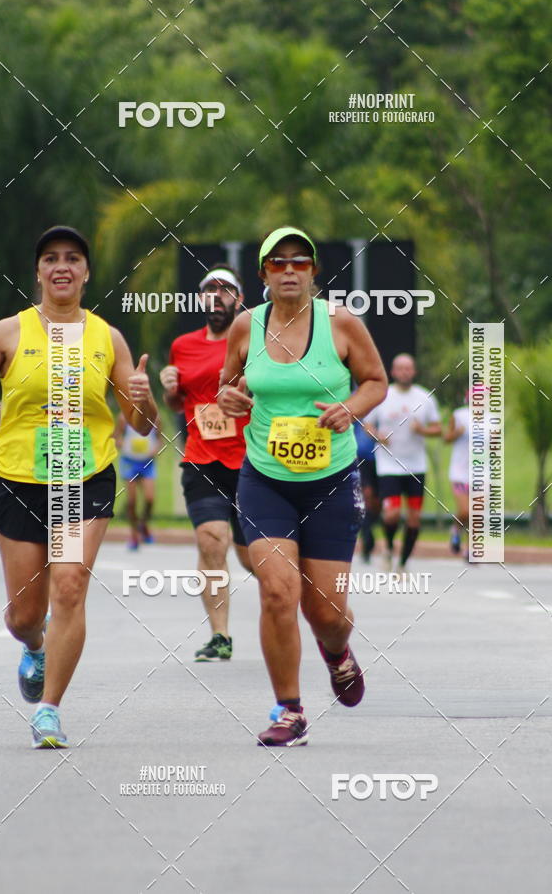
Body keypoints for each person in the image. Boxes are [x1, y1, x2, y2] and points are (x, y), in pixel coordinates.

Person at [0, 225, 158, 748]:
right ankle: (33, 644)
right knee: (23, 614)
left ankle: (50, 712)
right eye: (51, 258)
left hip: (83, 477)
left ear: (86, 273)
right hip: (17, 479)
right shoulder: (7, 333)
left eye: (73, 258)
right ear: (38, 272)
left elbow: (143, 426)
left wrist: (144, 398)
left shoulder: (107, 337)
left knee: (70, 587)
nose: (62, 266)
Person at [217, 226, 387, 746]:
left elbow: (375, 381)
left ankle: (337, 652)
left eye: (300, 262)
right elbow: (228, 385)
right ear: (263, 273)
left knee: (327, 614)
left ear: (313, 271)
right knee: (277, 592)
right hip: (265, 478)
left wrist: (349, 409)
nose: (289, 271)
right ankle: (289, 709)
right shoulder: (246, 326)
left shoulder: (342, 325)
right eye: (278, 263)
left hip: (331, 481)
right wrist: (229, 399)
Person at [160, 264, 253, 662]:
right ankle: (221, 635)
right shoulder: (183, 345)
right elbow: (177, 403)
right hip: (202, 458)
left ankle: (285, 612)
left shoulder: (254, 340)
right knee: (211, 540)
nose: (217, 299)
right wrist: (167, 389)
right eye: (209, 292)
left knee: (256, 557)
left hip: (251, 460)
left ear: (239, 298)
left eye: (225, 291)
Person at [365, 353, 441, 572]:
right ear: (393, 371)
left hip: (416, 466)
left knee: (415, 519)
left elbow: (438, 428)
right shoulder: (383, 396)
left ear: (414, 371)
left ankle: (403, 562)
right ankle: (388, 547)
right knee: (392, 514)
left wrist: (423, 430)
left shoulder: (425, 398)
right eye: (400, 368)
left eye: (408, 368)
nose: (405, 372)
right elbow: (367, 424)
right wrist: (378, 435)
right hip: (388, 465)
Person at [115, 413, 162, 549]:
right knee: (132, 501)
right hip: (130, 462)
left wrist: (155, 450)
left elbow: (160, 440)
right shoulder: (124, 418)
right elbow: (116, 437)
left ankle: (143, 524)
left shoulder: (155, 418)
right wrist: (122, 444)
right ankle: (134, 535)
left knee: (150, 498)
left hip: (147, 463)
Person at [443, 394, 470, 558]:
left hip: (482, 473)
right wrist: (457, 433)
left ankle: (470, 549)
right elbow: (446, 438)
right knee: (465, 511)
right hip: (460, 472)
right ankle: (456, 528)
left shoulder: (493, 419)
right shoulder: (459, 415)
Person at [354, 419, 380, 562]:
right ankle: (367, 538)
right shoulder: (355, 397)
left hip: (384, 458)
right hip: (362, 456)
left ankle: (370, 528)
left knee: (377, 503)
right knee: (367, 496)